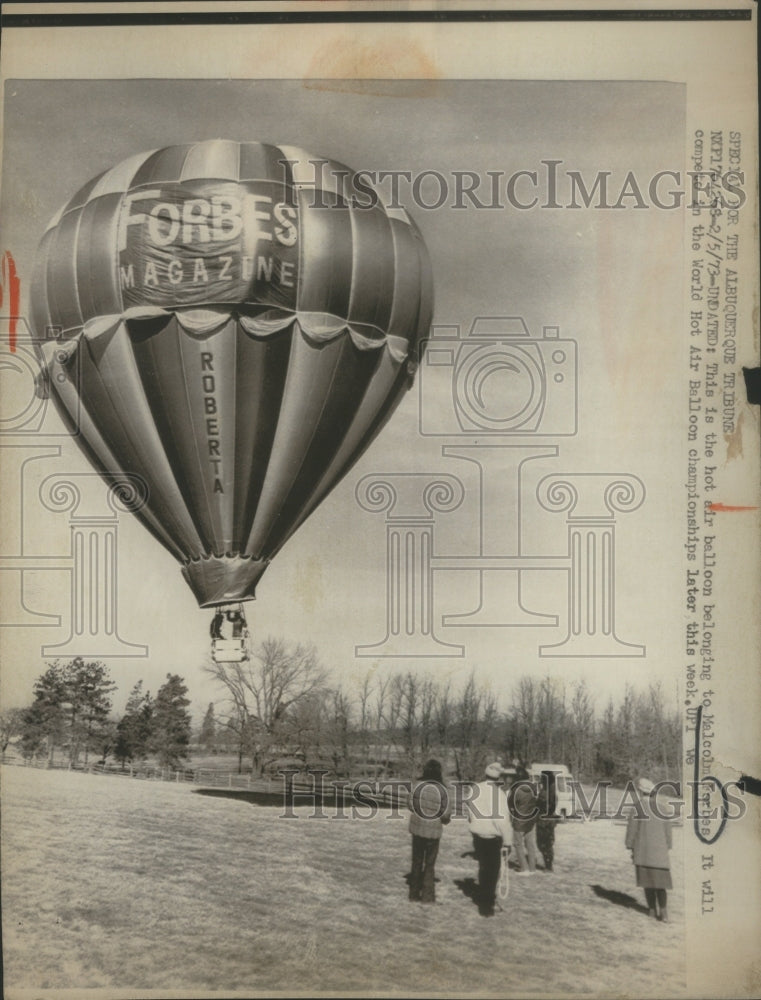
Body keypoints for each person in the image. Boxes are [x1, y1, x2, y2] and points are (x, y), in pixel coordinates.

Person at [466, 762, 513, 916]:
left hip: (477, 835)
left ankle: (484, 899)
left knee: (483, 868)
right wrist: (507, 841)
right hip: (492, 837)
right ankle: (486, 905)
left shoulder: (475, 789)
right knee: (492, 872)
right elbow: (502, 821)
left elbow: (469, 811)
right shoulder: (498, 794)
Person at [625, 777, 673, 922]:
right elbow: (668, 833)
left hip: (643, 852)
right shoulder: (662, 808)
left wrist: (630, 845)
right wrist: (667, 846)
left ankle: (652, 910)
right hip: (660, 853)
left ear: (640, 792)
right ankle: (664, 913)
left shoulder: (637, 808)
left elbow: (632, 830)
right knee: (661, 885)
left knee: (648, 883)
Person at [408, 758, 452, 904]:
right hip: (434, 831)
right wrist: (444, 820)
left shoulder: (417, 785)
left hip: (417, 828)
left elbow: (409, 805)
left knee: (416, 861)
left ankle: (413, 894)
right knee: (429, 864)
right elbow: (446, 814)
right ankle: (428, 897)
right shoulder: (443, 790)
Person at [509, 766, 538, 875]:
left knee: (518, 844)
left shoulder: (516, 790)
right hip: (530, 820)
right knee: (530, 843)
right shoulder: (534, 788)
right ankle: (532, 868)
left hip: (519, 820)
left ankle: (524, 868)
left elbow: (511, 804)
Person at [535, 771, 557, 872]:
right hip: (548, 821)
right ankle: (548, 865)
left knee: (544, 844)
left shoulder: (546, 792)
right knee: (547, 844)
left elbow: (542, 806)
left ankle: (548, 866)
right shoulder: (550, 790)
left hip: (544, 822)